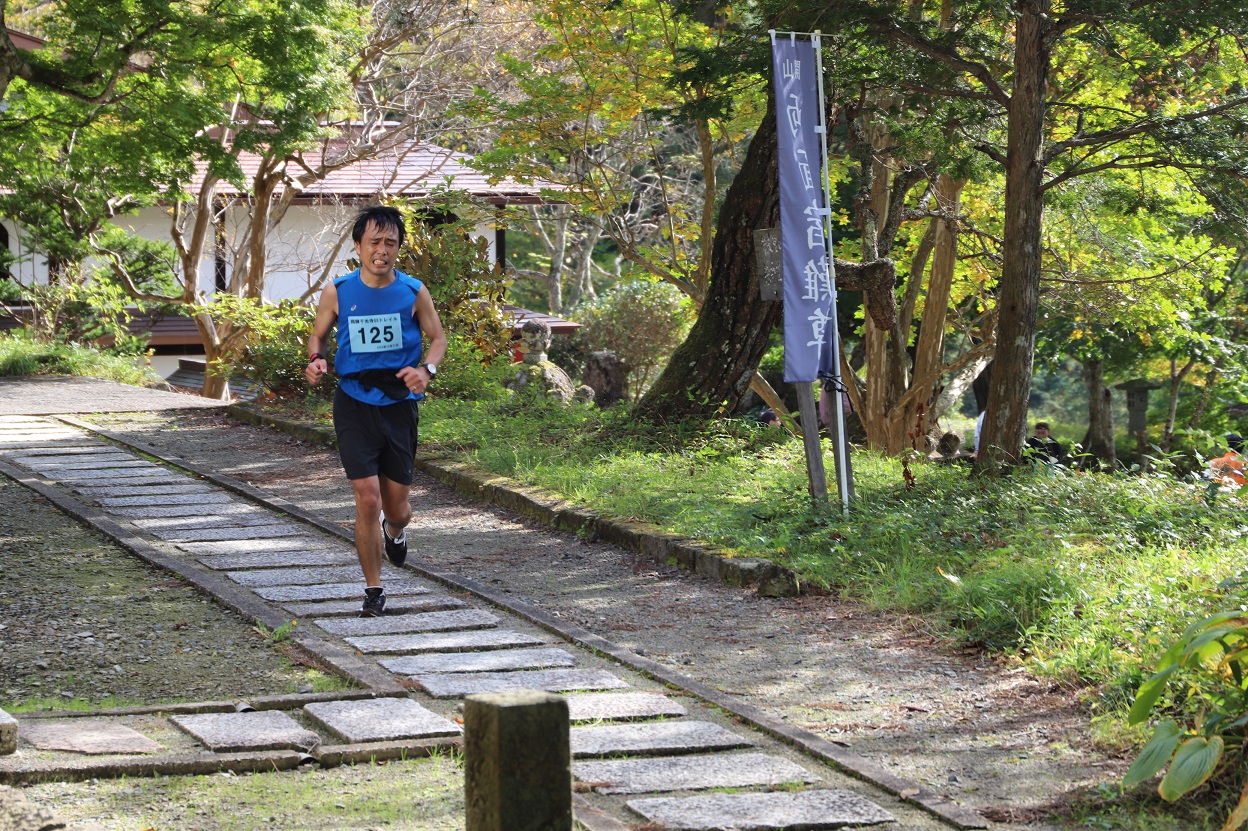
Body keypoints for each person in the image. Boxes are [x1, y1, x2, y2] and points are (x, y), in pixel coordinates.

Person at [306, 205, 448, 617]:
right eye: (374, 242)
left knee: (397, 508)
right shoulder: (339, 290)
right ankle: (374, 590)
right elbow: (317, 336)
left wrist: (427, 370)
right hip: (353, 401)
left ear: (399, 248)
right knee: (367, 499)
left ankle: (395, 531)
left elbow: (437, 338)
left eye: (390, 242)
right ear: (358, 246)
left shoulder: (413, 291)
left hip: (399, 405)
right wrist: (316, 359)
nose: (382, 250)